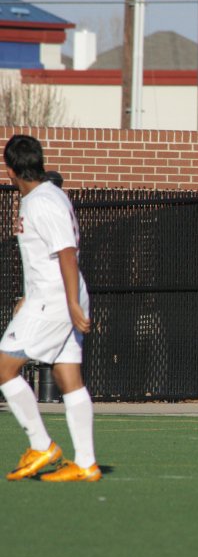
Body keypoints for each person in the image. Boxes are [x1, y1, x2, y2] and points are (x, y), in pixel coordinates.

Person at [1, 134, 100, 482]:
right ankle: (86, 462)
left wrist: (72, 302)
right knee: (67, 376)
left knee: (3, 368)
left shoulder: (43, 201)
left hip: (56, 299)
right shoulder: (42, 197)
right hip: (50, 296)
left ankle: (42, 444)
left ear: (10, 169)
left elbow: (66, 253)